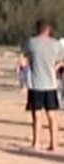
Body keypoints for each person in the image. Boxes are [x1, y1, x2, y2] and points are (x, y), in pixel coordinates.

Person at [21, 20, 64, 151]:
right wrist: (54, 69)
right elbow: (61, 61)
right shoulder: (56, 44)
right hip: (50, 84)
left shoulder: (31, 42)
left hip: (36, 83)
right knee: (52, 115)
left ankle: (36, 142)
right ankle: (54, 143)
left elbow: (24, 58)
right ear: (49, 30)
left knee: (37, 115)